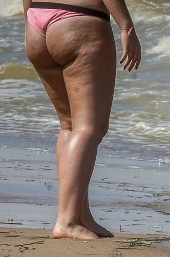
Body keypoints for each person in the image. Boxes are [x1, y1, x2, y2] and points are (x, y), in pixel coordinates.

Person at [23, 0, 141, 239]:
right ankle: (67, 221)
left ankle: (81, 215)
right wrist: (126, 28)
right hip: (79, 22)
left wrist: (31, 18)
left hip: (37, 20)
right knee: (89, 127)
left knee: (69, 125)